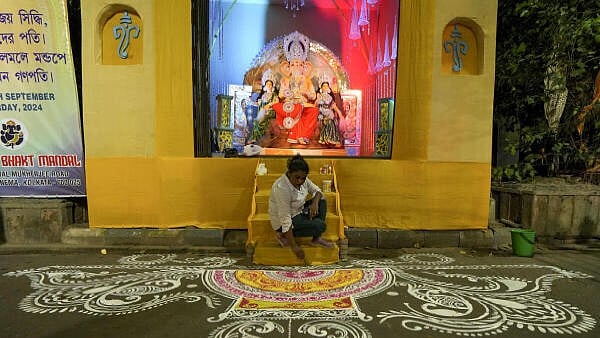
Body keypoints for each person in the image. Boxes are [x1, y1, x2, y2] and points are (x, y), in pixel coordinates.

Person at [269, 154, 333, 260]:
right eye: (297, 178)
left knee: (321, 201)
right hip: (285, 220)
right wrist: (295, 247)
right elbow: (285, 219)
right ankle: (283, 235)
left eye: (303, 178)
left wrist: (314, 204)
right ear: (289, 173)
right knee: (320, 226)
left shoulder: (304, 179)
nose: (300, 181)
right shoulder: (281, 188)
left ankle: (316, 239)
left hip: (299, 210)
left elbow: (317, 191)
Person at [271, 31, 319, 145]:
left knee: (314, 110)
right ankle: (296, 136)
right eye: (293, 64)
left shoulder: (307, 80)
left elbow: (313, 95)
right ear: (288, 67)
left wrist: (306, 92)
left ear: (304, 67)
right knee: (296, 109)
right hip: (290, 105)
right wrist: (287, 93)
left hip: (302, 104)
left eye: (299, 64)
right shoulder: (285, 80)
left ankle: (303, 136)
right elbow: (281, 95)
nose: (296, 66)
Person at [249, 75, 279, 144]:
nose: (268, 85)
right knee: (257, 122)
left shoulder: (274, 94)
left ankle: (256, 137)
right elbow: (259, 104)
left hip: (270, 111)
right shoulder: (263, 95)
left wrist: (269, 104)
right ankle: (255, 138)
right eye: (267, 84)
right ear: (265, 86)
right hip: (262, 111)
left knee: (260, 121)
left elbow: (277, 101)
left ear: (272, 86)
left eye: (270, 84)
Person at [316, 80, 343, 146]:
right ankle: (326, 139)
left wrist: (339, 113)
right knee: (326, 123)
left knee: (331, 123)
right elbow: (316, 105)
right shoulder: (319, 96)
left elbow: (333, 105)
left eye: (327, 86)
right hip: (322, 113)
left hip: (329, 113)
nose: (325, 88)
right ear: (321, 88)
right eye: (324, 86)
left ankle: (331, 139)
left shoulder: (330, 97)